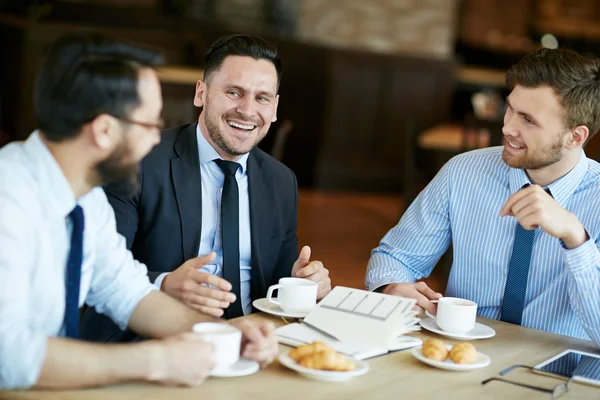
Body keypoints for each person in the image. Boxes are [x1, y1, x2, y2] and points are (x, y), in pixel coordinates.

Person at [0, 31, 278, 390]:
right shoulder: (9, 200)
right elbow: (9, 356)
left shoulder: (86, 199)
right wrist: (158, 360)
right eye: (149, 125)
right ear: (103, 130)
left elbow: (128, 293)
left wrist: (223, 333)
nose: (154, 141)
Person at [80, 34, 331, 343]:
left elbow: (276, 285)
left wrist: (304, 283)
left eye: (262, 98)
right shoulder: (139, 161)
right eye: (234, 92)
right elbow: (95, 270)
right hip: (149, 338)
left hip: (249, 340)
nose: (247, 110)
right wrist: (164, 283)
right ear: (202, 93)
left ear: (275, 107)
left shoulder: (281, 180)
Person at [366, 48, 600, 347]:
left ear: (575, 137)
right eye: (511, 108)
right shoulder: (463, 173)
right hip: (461, 356)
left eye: (528, 120)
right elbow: (397, 256)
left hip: (560, 378)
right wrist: (390, 287)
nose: (507, 128)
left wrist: (576, 237)